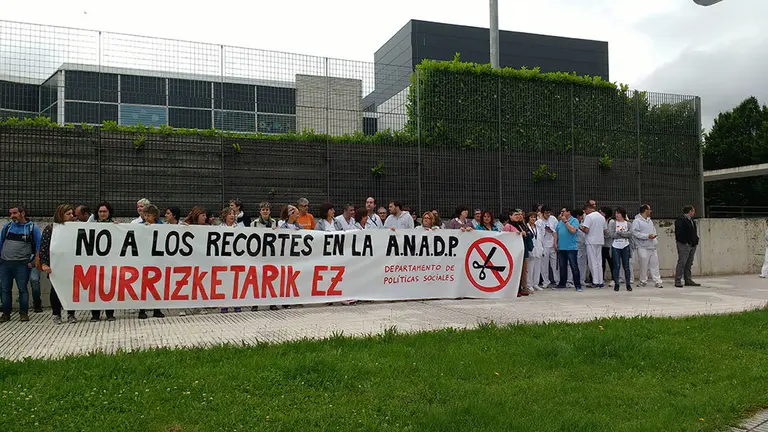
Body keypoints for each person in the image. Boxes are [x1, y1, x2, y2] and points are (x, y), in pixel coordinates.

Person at [0, 205, 42, 323]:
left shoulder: (32, 228)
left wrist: (33, 262)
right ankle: (6, 313)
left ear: (22, 213)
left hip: (22, 265)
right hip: (5, 264)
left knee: (22, 289)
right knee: (5, 289)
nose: (12, 216)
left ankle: (23, 313)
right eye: (11, 214)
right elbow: (0, 243)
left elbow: (39, 247)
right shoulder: (7, 227)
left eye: (14, 213)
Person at [39, 204, 77, 324]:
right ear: (61, 215)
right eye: (68, 214)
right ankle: (56, 314)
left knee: (71, 290)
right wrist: (44, 264)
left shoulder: (76, 228)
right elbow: (44, 248)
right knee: (55, 290)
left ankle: (71, 314)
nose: (71, 216)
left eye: (72, 214)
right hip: (56, 266)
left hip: (72, 265)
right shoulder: (50, 229)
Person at [138, 205, 166, 320]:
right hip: (144, 259)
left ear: (154, 216)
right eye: (144, 215)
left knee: (157, 285)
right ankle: (142, 310)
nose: (146, 217)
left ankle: (157, 309)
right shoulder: (140, 226)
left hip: (157, 260)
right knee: (143, 285)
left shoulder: (161, 226)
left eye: (148, 215)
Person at [92, 201, 117, 322]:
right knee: (95, 288)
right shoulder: (91, 225)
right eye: (100, 211)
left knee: (109, 287)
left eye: (104, 211)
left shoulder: (115, 225)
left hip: (109, 263)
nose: (102, 213)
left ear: (109, 212)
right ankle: (95, 314)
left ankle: (110, 313)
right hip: (95, 263)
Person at [632, 204, 663, 288]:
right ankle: (643, 281)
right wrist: (647, 236)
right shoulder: (637, 221)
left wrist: (654, 238)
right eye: (649, 210)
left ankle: (657, 281)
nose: (650, 211)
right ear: (645, 210)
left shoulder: (650, 220)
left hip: (652, 246)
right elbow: (635, 233)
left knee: (655, 264)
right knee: (643, 264)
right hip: (642, 247)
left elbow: (653, 230)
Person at [504, 209, 532, 296]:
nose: (517, 216)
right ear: (510, 216)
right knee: (515, 270)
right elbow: (505, 237)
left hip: (523, 250)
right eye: (515, 214)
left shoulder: (520, 225)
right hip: (513, 252)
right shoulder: (508, 226)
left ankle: (522, 287)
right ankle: (515, 289)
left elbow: (529, 234)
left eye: (518, 215)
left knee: (523, 271)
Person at [554, 207, 582, 292]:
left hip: (571, 247)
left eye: (563, 211)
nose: (561, 213)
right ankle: (562, 283)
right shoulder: (559, 222)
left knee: (574, 266)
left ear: (568, 212)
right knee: (562, 266)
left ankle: (577, 285)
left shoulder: (574, 221)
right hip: (561, 246)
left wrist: (566, 221)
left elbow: (573, 230)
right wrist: (555, 243)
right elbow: (556, 232)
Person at [674, 205, 700, 288]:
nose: (694, 213)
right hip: (684, 244)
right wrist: (685, 242)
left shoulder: (691, 220)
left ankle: (688, 279)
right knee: (682, 262)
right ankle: (678, 280)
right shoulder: (681, 220)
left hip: (692, 244)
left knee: (689, 263)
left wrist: (695, 241)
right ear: (690, 211)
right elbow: (679, 232)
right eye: (693, 211)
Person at [580, 203, 606, 288]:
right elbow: (605, 230)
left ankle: (595, 281)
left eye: (585, 211)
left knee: (592, 262)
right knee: (599, 261)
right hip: (600, 240)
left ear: (588, 209)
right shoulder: (601, 217)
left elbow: (586, 230)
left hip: (591, 241)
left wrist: (580, 227)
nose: (585, 213)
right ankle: (600, 281)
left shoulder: (589, 217)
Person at [609, 207, 633, 292]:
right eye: (616, 213)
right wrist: (622, 234)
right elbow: (612, 234)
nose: (616, 215)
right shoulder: (613, 224)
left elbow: (630, 234)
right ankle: (617, 284)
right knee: (616, 266)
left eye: (618, 213)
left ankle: (628, 284)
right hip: (616, 245)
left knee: (626, 266)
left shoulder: (628, 224)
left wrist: (621, 233)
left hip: (625, 245)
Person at [536, 206, 559, 288]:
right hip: (544, 245)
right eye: (546, 213)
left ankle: (557, 280)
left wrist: (551, 230)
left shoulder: (553, 219)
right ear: (542, 213)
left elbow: (557, 230)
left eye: (549, 213)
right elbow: (538, 234)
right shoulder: (538, 222)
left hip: (553, 243)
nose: (548, 214)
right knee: (544, 264)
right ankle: (546, 281)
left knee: (555, 264)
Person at [526, 212, 545, 291]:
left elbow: (542, 235)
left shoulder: (537, 227)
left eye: (534, 217)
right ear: (528, 218)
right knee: (530, 268)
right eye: (531, 217)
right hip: (531, 249)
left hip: (538, 248)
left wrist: (542, 248)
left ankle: (535, 283)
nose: (533, 219)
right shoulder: (526, 227)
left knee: (538, 267)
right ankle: (529, 284)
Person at [599, 206, 614, 285]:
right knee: (602, 263)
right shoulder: (602, 221)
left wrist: (602, 234)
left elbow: (609, 234)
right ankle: (601, 277)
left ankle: (614, 278)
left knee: (611, 262)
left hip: (609, 245)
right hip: (602, 245)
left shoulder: (610, 221)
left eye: (601, 212)